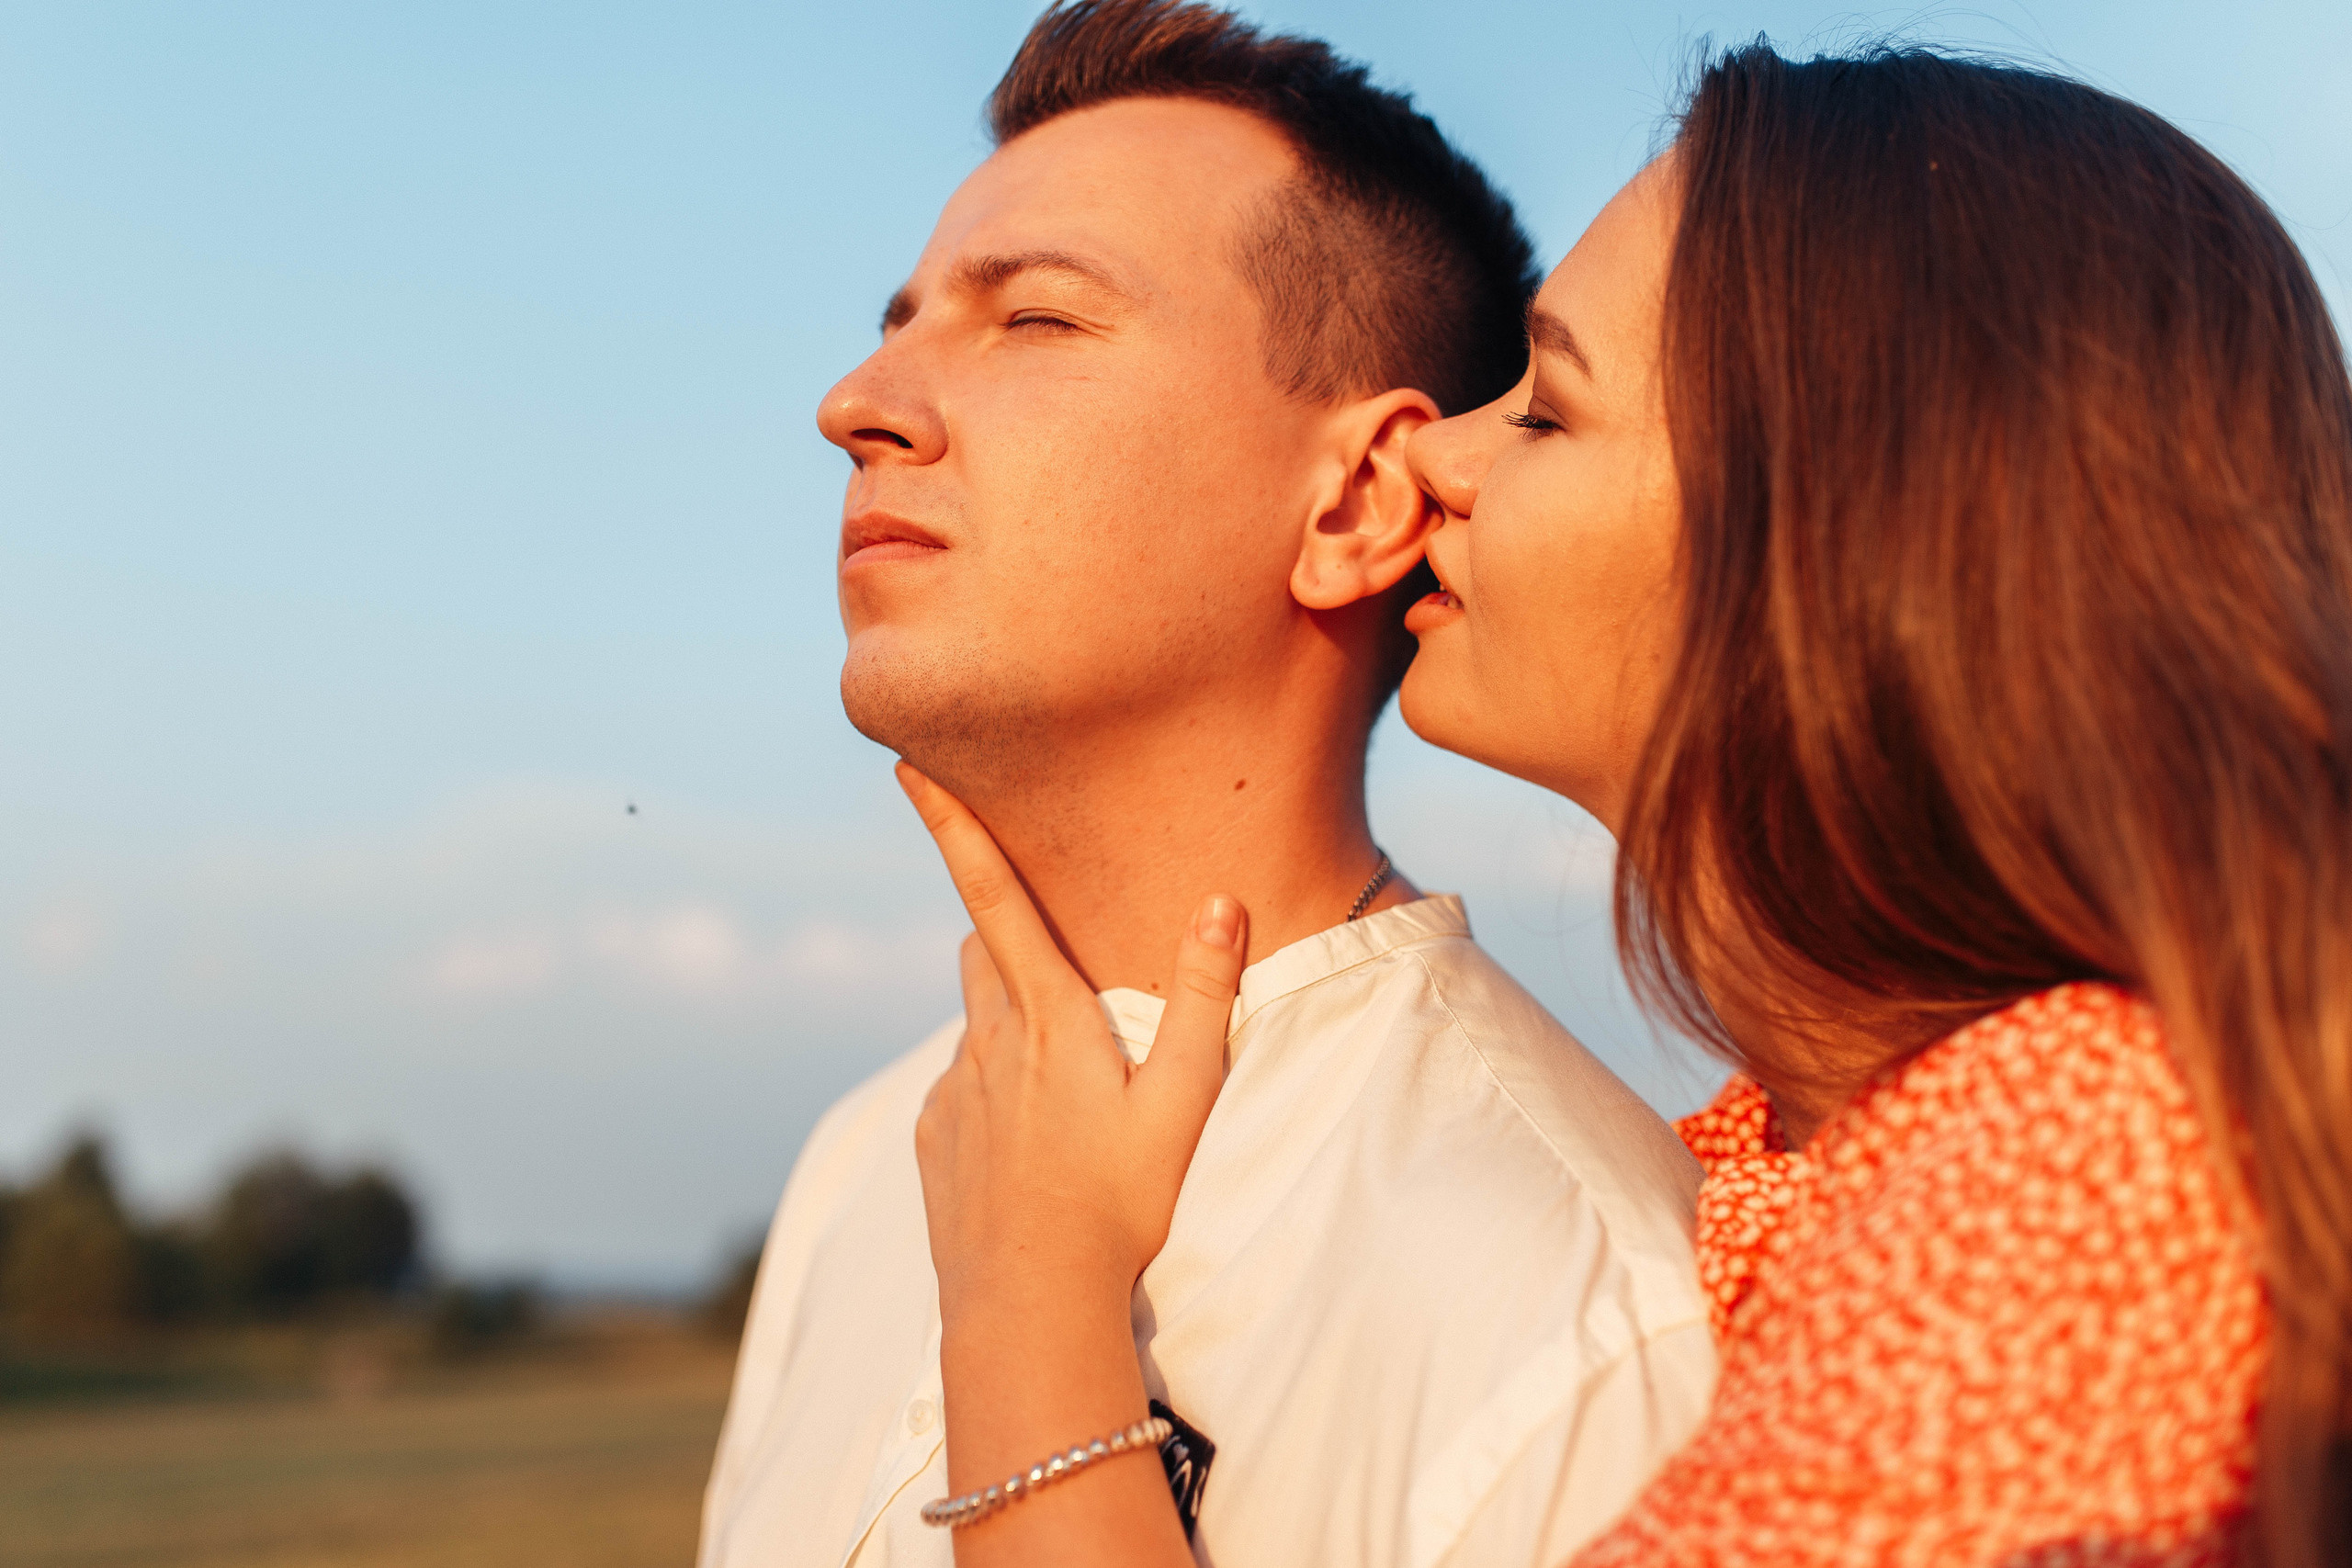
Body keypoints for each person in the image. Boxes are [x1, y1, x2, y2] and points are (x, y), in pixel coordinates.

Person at [903, 40, 2352, 1568]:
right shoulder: (1791, 1167)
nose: (1438, 457)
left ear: (1826, 550)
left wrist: (1034, 1320)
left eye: (1547, 413)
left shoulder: (2077, 1191)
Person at [696, 6, 1722, 1567]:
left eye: (1032, 319)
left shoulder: (1591, 1317)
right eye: (900, 320)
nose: (858, 400)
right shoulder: (873, 1156)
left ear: (1362, 501)